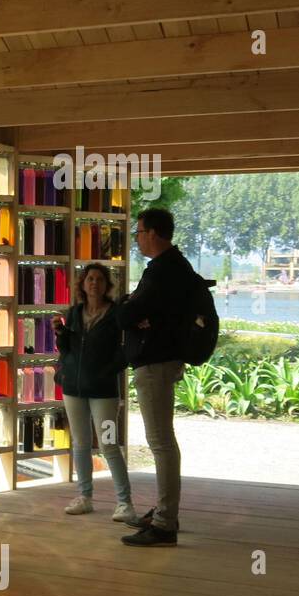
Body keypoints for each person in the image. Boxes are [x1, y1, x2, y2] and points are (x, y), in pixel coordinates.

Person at [117, 207, 197, 547]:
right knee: (163, 441)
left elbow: (127, 313)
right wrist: (135, 310)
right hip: (165, 359)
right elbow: (138, 311)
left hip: (156, 362)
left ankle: (165, 522)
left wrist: (131, 309)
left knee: (161, 442)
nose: (136, 239)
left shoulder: (162, 271)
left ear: (152, 234)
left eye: (138, 233)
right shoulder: (176, 268)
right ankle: (166, 512)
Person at [54, 263, 136, 522]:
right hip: (73, 388)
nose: (94, 283)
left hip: (104, 391)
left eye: (100, 279)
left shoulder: (116, 314)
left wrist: (108, 370)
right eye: (90, 278)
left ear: (107, 285)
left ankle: (125, 503)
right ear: (82, 283)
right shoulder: (75, 313)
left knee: (109, 445)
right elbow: (66, 350)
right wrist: (61, 333)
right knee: (79, 443)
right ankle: (84, 496)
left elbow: (126, 349)